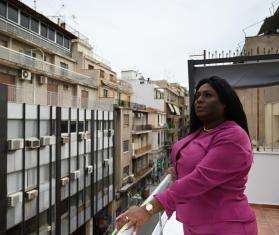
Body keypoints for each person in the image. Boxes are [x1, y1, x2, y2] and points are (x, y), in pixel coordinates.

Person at [116, 76, 258, 235]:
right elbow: (194, 166)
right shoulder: (200, 133)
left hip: (226, 227)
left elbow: (198, 180)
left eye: (207, 95)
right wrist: (180, 170)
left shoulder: (233, 136)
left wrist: (147, 209)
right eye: (197, 96)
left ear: (225, 104)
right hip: (194, 225)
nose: (199, 100)